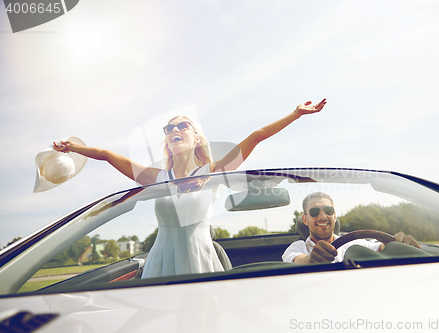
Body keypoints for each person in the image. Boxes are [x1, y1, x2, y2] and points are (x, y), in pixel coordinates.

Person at [54, 99, 327, 277]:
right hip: (159, 262)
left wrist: (295, 114)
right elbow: (107, 154)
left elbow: (256, 137)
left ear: (196, 137)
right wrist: (73, 148)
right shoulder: (158, 177)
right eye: (169, 128)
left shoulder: (211, 173)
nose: (174, 129)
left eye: (182, 125)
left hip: (200, 261)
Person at [282, 192, 421, 264]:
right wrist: (310, 259)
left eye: (328, 211)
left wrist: (398, 245)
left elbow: (379, 248)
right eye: (314, 212)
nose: (323, 216)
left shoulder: (352, 242)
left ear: (335, 216)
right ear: (305, 219)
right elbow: (297, 260)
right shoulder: (297, 247)